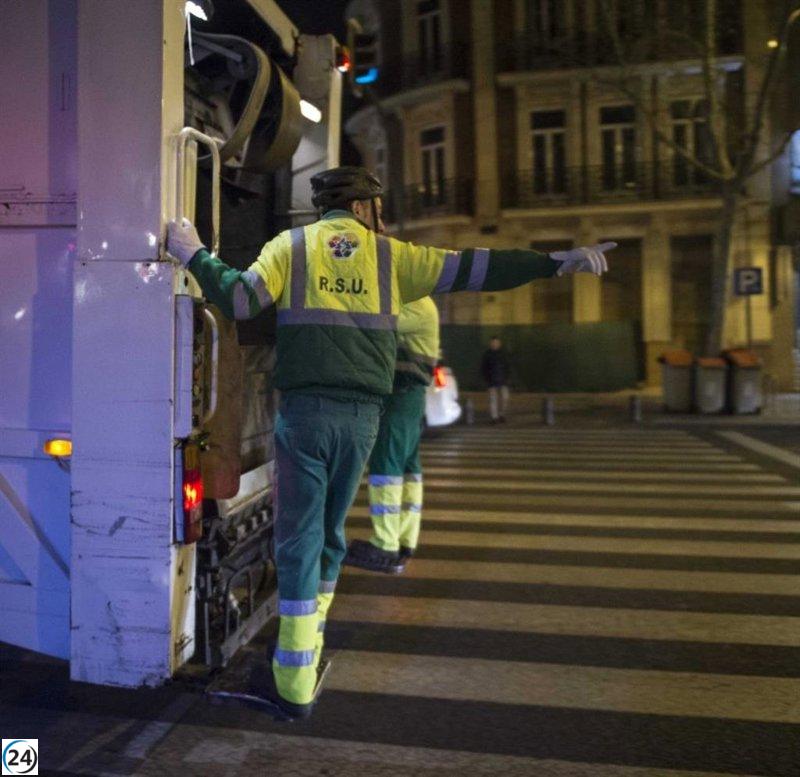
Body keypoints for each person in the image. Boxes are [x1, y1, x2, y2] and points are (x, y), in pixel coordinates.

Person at [166, 166, 614, 720]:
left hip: (306, 416)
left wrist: (192, 255)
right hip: (363, 420)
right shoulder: (394, 257)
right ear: (361, 208)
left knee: (299, 541)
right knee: (329, 535)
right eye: (378, 208)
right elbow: (480, 267)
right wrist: (555, 263)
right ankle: (307, 653)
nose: (383, 218)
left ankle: (293, 681)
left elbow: (237, 300)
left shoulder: (291, 246)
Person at [345, 295, 440, 574]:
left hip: (401, 395)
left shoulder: (418, 305)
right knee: (409, 470)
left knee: (386, 466)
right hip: (409, 397)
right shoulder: (420, 303)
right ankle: (404, 539)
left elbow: (377, 325)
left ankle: (384, 544)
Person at [481, 336, 511, 423]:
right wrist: (486, 379)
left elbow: (508, 367)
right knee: (492, 399)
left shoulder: (503, 354)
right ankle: (494, 417)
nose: (495, 344)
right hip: (491, 381)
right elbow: (484, 368)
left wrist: (507, 378)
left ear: (499, 344)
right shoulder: (487, 354)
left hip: (503, 380)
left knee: (505, 398)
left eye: (496, 343)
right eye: (493, 343)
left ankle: (502, 414)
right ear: (490, 344)